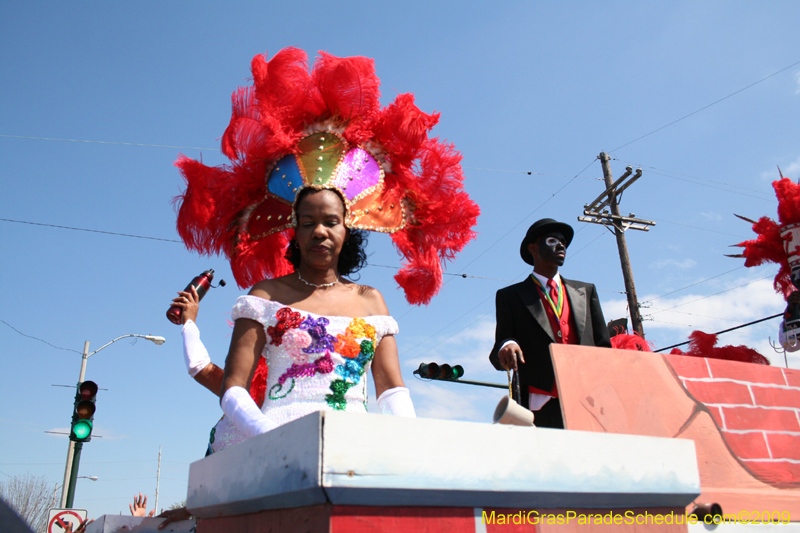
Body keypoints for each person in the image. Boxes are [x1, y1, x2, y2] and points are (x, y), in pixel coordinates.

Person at [172, 48, 479, 437]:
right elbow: (233, 388)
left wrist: (410, 441)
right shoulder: (264, 296)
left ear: (346, 229)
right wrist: (271, 440)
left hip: (354, 444)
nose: (320, 231)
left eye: (331, 221)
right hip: (275, 439)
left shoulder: (371, 301)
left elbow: (391, 389)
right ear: (295, 232)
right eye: (308, 222)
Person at [489, 218, 611, 429]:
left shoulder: (586, 292)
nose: (561, 245)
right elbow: (499, 350)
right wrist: (506, 345)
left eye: (563, 241)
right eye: (553, 240)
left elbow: (604, 349)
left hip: (586, 400)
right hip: (539, 405)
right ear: (533, 248)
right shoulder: (510, 296)